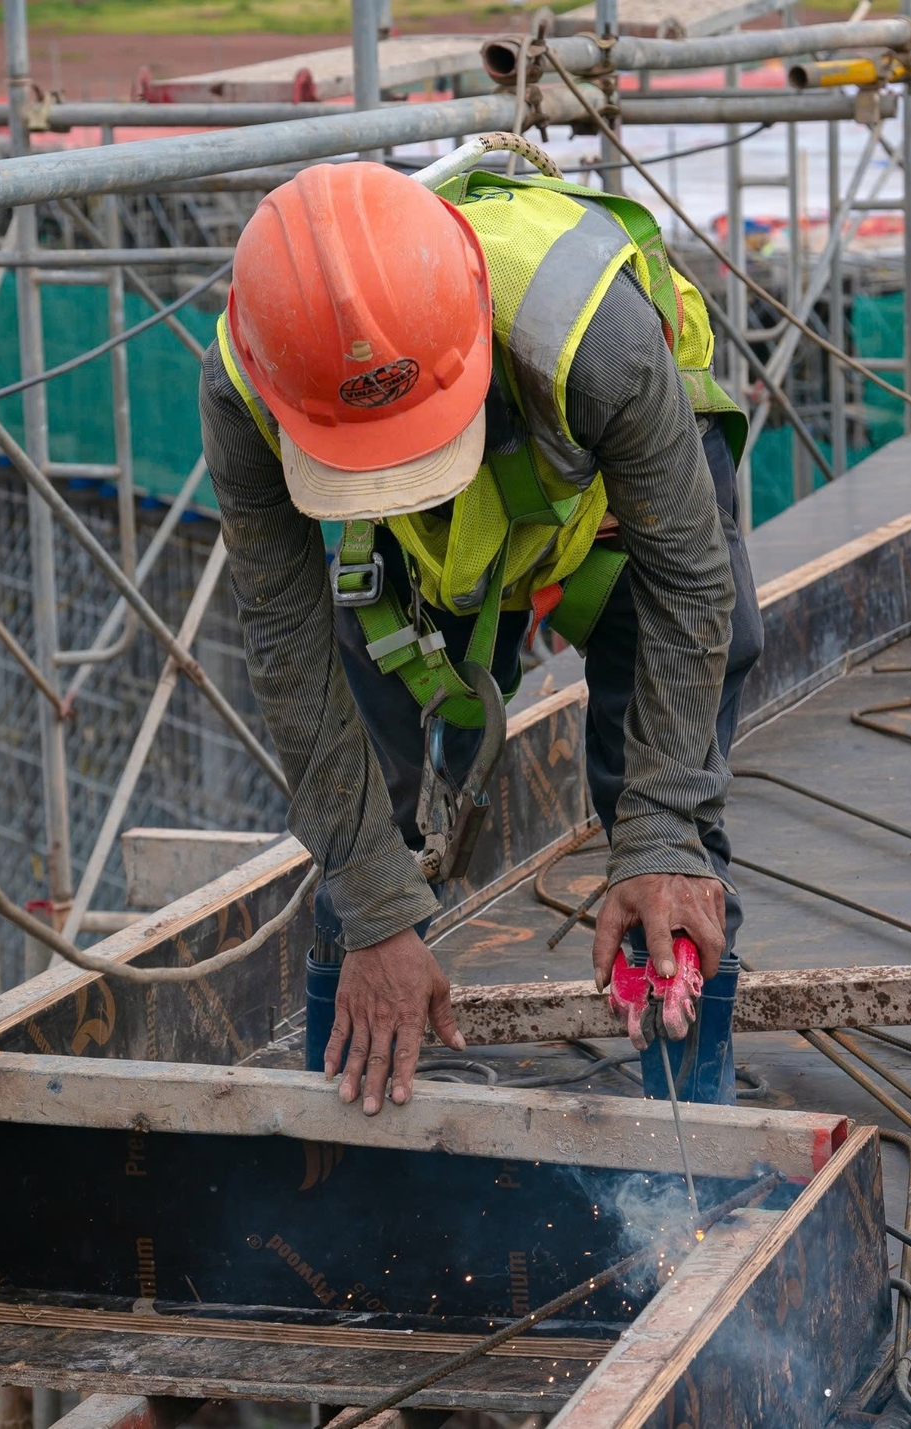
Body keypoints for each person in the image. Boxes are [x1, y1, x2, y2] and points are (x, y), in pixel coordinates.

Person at [199, 157, 763, 1116]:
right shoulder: (254, 378)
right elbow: (285, 641)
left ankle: (689, 1108)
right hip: (426, 553)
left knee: (673, 787)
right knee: (363, 792)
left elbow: (689, 582)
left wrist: (661, 826)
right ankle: (349, 1099)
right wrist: (375, 903)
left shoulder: (597, 341)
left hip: (614, 505)